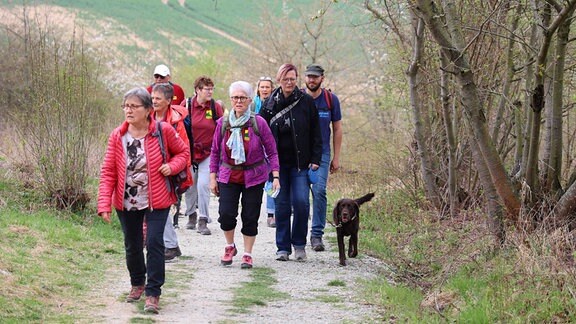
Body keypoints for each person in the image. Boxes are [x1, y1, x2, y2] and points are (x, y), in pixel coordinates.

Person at [97, 87, 190, 314]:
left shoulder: (162, 130)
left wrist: (172, 166)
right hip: (126, 200)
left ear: (148, 110)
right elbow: (108, 171)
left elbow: (183, 153)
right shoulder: (117, 136)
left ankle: (153, 293)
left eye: (133, 106)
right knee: (133, 244)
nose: (128, 110)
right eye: (125, 106)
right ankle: (137, 283)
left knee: (155, 243)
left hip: (156, 198)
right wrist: (103, 204)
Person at [209, 81, 280, 268]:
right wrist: (212, 177)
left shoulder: (259, 123)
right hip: (228, 175)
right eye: (235, 98)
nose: (238, 101)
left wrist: (276, 176)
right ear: (231, 100)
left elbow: (272, 151)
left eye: (242, 98)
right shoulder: (222, 123)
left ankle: (247, 254)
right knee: (226, 214)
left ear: (250, 100)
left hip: (254, 176)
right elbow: (215, 151)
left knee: (250, 216)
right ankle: (230, 246)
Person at [260, 63, 322, 262]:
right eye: (285, 79)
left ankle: (299, 244)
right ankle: (283, 247)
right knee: (282, 205)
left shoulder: (306, 102)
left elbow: (316, 132)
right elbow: (260, 133)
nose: (289, 82)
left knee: (302, 203)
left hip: (300, 163)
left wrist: (315, 158)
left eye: (292, 79)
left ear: (296, 80)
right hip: (277, 166)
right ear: (279, 80)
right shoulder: (269, 104)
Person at [151, 82, 193, 261]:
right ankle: (170, 244)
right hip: (153, 171)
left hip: (170, 172)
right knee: (157, 208)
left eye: (158, 99)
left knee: (161, 208)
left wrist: (174, 168)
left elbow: (185, 151)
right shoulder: (147, 117)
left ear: (168, 101)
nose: (154, 101)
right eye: (152, 98)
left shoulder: (177, 123)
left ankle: (170, 245)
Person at [304, 64, 343, 252]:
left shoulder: (330, 100)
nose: (312, 80)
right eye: (309, 76)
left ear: (322, 78)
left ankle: (317, 234)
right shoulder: (298, 97)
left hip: (322, 153)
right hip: (300, 153)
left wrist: (336, 157)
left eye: (315, 77)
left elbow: (337, 129)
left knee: (319, 191)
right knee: (300, 196)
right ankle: (298, 234)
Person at [182, 76, 224, 235]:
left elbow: (221, 129)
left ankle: (203, 219)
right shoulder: (186, 105)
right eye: (207, 89)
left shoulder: (214, 107)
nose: (210, 92)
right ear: (198, 90)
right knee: (190, 185)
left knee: (203, 185)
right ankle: (191, 215)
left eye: (212, 89)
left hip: (209, 153)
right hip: (189, 153)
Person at [252, 76, 276, 227]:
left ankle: (271, 213)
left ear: (272, 89)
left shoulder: (276, 103)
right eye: (262, 87)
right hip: (255, 146)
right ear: (258, 89)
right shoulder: (253, 104)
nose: (265, 89)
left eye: (267, 87)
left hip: (271, 144)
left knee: (271, 178)